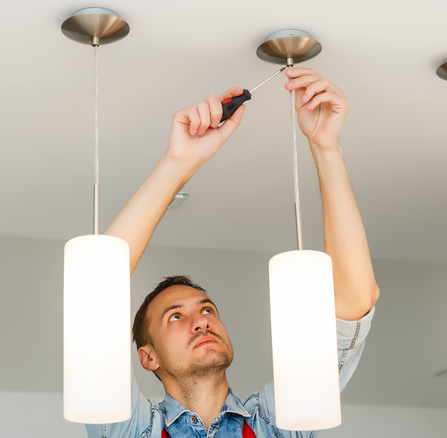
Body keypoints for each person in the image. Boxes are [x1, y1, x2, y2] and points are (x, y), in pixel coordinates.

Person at [87, 67, 379, 438]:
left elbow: (354, 304)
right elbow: (95, 284)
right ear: (149, 357)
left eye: (207, 309)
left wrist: (327, 149)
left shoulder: (285, 417)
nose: (202, 320)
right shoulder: (130, 429)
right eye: (175, 317)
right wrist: (179, 162)